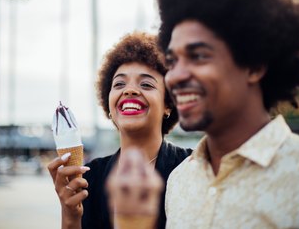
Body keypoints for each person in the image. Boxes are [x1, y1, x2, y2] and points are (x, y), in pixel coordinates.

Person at [150, 0, 299, 228]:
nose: (175, 76)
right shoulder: (179, 181)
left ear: (254, 65)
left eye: (199, 56)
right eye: (172, 61)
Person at [47, 32, 192, 229]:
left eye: (146, 84)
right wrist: (70, 215)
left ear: (168, 104)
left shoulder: (192, 169)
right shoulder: (89, 179)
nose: (129, 90)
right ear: (109, 106)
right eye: (119, 84)